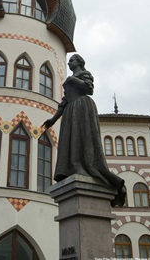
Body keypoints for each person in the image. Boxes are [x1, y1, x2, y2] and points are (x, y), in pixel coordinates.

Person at [43, 54, 125, 206]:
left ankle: (86, 166)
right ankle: (74, 166)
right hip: (70, 110)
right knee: (71, 140)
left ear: (80, 62)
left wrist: (73, 80)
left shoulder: (84, 74)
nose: (69, 63)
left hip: (83, 106)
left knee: (84, 138)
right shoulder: (72, 78)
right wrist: (53, 119)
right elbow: (64, 101)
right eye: (69, 61)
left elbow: (89, 89)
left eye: (72, 60)